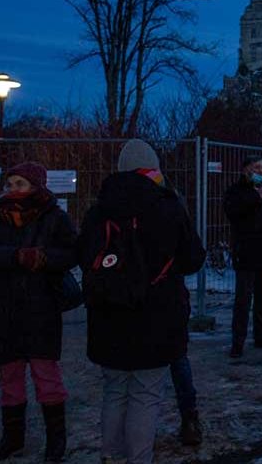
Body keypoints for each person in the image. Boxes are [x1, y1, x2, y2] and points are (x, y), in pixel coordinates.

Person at [78, 139, 205, 464]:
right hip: (157, 318)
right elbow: (193, 258)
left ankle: (110, 456)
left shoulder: (100, 209)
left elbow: (83, 255)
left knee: (114, 391)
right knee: (145, 397)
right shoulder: (168, 205)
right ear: (154, 168)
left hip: (108, 317)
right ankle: (138, 458)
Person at [0, 162, 78, 463]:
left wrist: (43, 259)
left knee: (46, 374)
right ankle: (12, 437)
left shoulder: (55, 217)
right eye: (10, 184)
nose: (13, 190)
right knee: (9, 375)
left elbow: (71, 253)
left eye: (20, 184)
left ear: (36, 185)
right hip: (3, 307)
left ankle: (56, 440)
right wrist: (16, 257)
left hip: (41, 306)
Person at [223, 155, 262, 358]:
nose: (260, 171)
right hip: (246, 254)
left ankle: (261, 336)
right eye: (256, 167)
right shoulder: (237, 192)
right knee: (243, 300)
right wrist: (255, 198)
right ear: (245, 169)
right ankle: (237, 342)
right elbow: (232, 211)